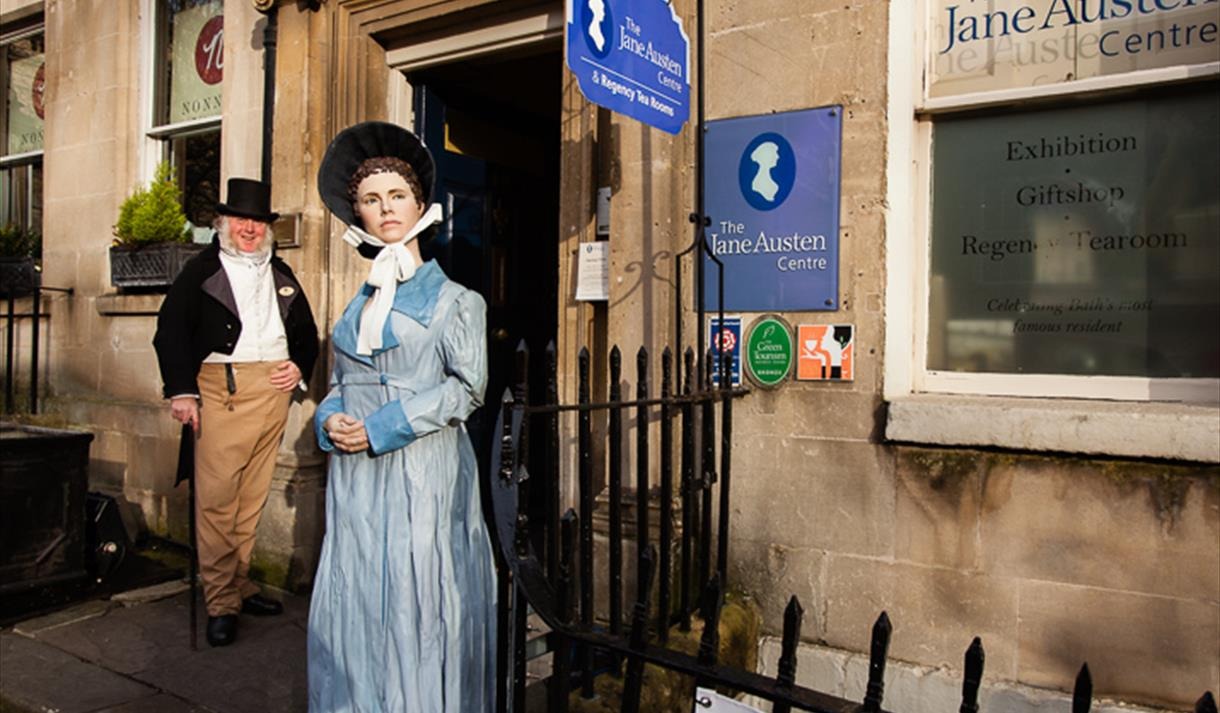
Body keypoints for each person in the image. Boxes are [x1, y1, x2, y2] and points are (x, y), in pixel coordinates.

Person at [308, 121, 496, 711]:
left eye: (396, 196)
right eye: (370, 199)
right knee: (360, 595)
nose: (384, 208)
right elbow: (340, 380)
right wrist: (329, 420)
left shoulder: (457, 301)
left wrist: (383, 425)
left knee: (418, 598)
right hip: (357, 480)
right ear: (357, 213)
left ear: (420, 204)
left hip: (422, 470)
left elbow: (467, 390)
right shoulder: (356, 303)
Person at [153, 177, 319, 648]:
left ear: (267, 229)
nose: (249, 229)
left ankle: (240, 583)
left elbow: (305, 332)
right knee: (218, 500)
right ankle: (221, 602)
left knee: (251, 496)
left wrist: (299, 368)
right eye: (241, 220)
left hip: (271, 392)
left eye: (257, 222)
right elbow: (170, 332)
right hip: (221, 390)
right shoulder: (201, 271)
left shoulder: (281, 271)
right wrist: (182, 391)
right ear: (222, 224)